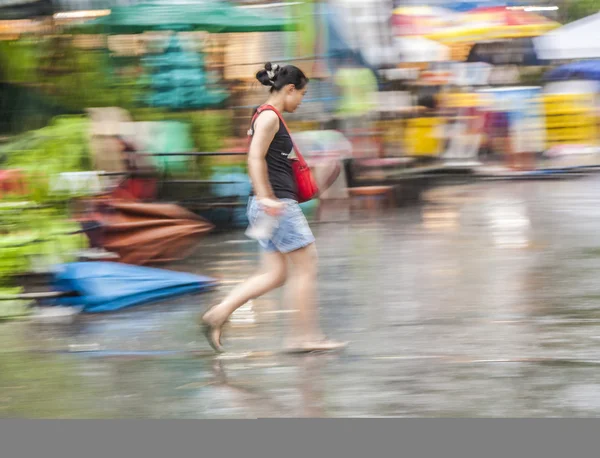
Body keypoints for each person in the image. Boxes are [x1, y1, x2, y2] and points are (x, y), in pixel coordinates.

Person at [200, 62, 347, 354]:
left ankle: (218, 313)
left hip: (267, 205)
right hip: (275, 204)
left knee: (275, 275)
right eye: (301, 96)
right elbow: (254, 159)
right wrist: (268, 197)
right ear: (289, 89)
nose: (301, 102)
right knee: (306, 268)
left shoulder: (265, 115)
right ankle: (304, 338)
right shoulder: (269, 118)